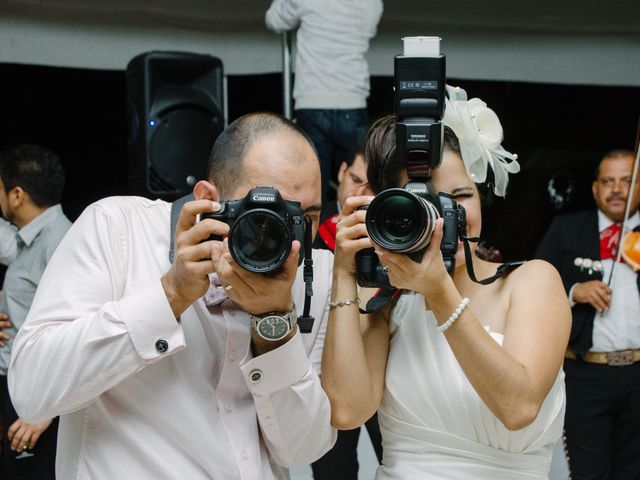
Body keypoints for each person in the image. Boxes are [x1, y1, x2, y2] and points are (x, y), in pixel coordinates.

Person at [8, 113, 336, 479]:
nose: (286, 241)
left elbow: (303, 448)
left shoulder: (315, 273)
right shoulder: (117, 231)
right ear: (209, 201)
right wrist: (170, 295)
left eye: (304, 218)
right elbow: (32, 394)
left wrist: (274, 323)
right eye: (264, 216)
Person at [321, 87, 571, 479]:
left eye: (461, 197)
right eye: (431, 203)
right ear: (398, 213)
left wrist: (439, 291)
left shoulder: (532, 281)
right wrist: (344, 274)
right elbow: (347, 410)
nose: (446, 217)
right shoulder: (388, 302)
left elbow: (518, 407)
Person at [536, 149, 640, 479]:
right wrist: (572, 291)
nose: (616, 189)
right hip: (586, 374)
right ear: (595, 188)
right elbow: (535, 284)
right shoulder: (566, 228)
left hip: (639, 374)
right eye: (608, 182)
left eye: (626, 181)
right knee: (589, 472)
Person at [265, 0, 383, 205]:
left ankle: (313, 236)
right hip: (352, 100)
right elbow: (370, 28)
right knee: (362, 184)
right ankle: (361, 233)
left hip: (312, 101)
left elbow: (274, 20)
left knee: (312, 187)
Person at [0, 145, 71, 479]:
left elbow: (77, 329)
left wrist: (47, 412)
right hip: (17, 387)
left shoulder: (59, 241)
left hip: (37, 398)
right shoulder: (30, 240)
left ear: (17, 194)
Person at [311, 148, 383, 478]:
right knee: (333, 470)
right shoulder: (311, 227)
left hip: (379, 366)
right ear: (341, 171)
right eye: (356, 180)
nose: (361, 194)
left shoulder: (395, 233)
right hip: (327, 368)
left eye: (373, 188)